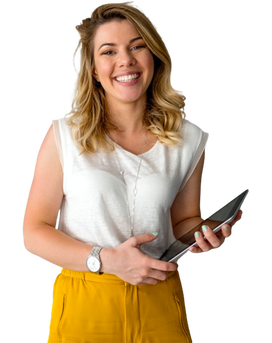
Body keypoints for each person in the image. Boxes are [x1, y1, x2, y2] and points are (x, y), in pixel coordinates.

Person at [21, 1, 246, 342]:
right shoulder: (63, 135)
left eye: (137, 46)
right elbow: (33, 234)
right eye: (108, 51)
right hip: (85, 300)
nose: (125, 60)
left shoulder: (189, 138)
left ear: (153, 56)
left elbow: (183, 223)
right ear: (94, 69)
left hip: (161, 300)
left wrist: (210, 236)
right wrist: (106, 260)